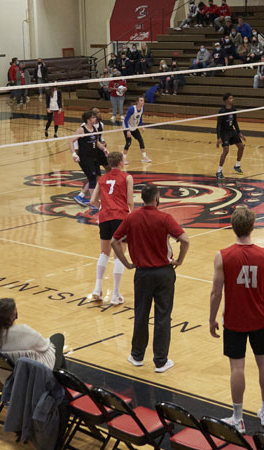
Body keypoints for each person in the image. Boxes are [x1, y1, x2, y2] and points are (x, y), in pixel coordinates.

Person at [209, 206, 264, 432]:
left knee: (237, 368)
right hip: (260, 317)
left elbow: (216, 292)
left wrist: (211, 318)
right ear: (253, 226)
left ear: (232, 227)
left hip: (234, 319)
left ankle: (237, 418)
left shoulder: (223, 255)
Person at [112, 184, 190, 373]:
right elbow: (185, 240)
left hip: (142, 273)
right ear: (157, 199)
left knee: (141, 314)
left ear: (141, 198)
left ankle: (137, 356)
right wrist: (179, 260)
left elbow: (115, 241)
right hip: (164, 273)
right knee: (163, 316)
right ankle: (161, 362)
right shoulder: (165, 218)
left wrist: (126, 262)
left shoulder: (132, 217)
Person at [87, 152, 133, 305]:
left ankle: (97, 289)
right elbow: (130, 202)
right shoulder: (127, 177)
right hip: (121, 217)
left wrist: (103, 206)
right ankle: (115, 294)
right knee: (119, 254)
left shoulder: (102, 179)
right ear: (120, 162)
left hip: (105, 217)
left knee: (104, 253)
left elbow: (92, 200)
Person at [69, 111, 108, 208]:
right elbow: (70, 141)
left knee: (98, 177)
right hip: (85, 158)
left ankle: (80, 196)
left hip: (94, 157)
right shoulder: (81, 130)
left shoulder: (94, 128)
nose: (96, 119)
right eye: (94, 117)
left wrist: (104, 149)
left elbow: (97, 141)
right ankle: (93, 202)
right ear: (88, 120)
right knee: (92, 179)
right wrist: (74, 154)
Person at [216, 93, 246, 179]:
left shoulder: (234, 109)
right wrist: (218, 138)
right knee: (226, 150)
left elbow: (235, 122)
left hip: (231, 131)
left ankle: (237, 166)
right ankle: (219, 171)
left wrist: (239, 133)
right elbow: (218, 125)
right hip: (224, 132)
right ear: (226, 101)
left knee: (241, 147)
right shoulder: (222, 111)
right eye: (230, 98)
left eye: (232, 98)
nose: (232, 100)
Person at [123, 96, 150, 164]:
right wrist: (128, 130)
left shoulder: (142, 108)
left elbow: (140, 118)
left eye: (143, 100)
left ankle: (144, 157)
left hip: (134, 127)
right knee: (128, 142)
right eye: (141, 100)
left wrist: (141, 126)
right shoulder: (132, 109)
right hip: (127, 127)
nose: (142, 102)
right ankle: (123, 159)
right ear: (137, 102)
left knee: (141, 140)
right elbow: (126, 120)